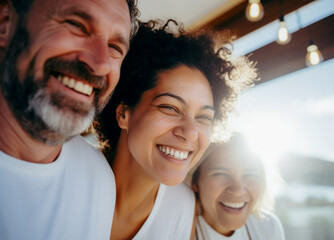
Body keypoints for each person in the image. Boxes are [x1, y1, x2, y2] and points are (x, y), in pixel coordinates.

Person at [95, 20, 255, 239]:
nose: (190, 133)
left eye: (204, 117)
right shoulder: (71, 168)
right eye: (170, 107)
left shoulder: (181, 207)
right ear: (124, 113)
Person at [0, 0, 139, 239]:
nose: (99, 64)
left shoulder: (98, 179)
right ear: (5, 22)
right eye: (76, 25)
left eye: (115, 48)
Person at [191, 133, 285, 240]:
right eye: (220, 174)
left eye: (250, 175)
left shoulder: (268, 227)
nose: (238, 190)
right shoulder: (179, 228)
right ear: (195, 181)